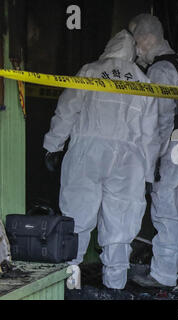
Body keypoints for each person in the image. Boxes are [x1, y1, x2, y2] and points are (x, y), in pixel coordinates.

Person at [43, 30, 160, 290]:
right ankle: (115, 286)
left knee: (76, 219)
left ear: (109, 47)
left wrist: (52, 145)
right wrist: (149, 174)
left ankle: (70, 288)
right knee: (121, 224)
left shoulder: (90, 71)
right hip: (128, 160)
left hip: (87, 152)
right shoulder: (143, 80)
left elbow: (67, 109)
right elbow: (150, 134)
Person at [128, 14, 178, 288]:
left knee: (166, 211)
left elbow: (160, 120)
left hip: (170, 148)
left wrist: (151, 159)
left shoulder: (159, 70)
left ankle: (163, 275)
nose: (136, 50)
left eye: (136, 43)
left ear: (146, 39)